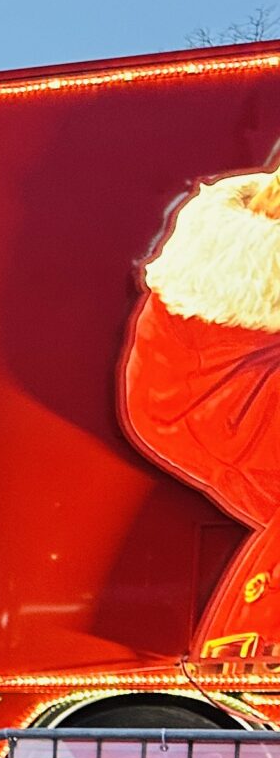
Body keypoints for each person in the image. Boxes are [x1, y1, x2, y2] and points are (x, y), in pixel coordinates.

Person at [120, 159, 280, 659]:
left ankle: (245, 657)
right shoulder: (248, 260)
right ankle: (248, 655)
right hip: (210, 399)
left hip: (206, 386)